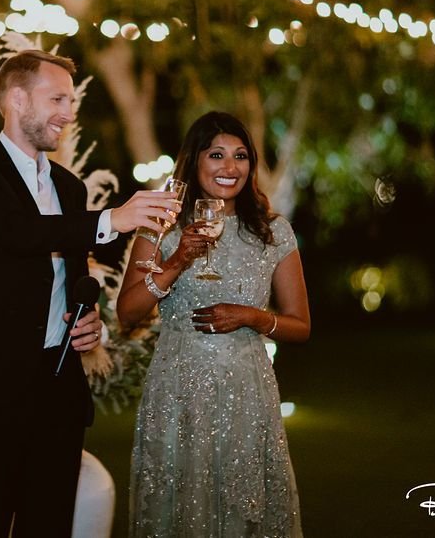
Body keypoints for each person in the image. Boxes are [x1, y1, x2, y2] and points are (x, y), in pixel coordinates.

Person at [0, 49, 181, 538]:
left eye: (71, 101)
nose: (68, 113)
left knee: (49, 526)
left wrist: (84, 317)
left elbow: (67, 271)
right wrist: (115, 218)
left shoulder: (69, 188)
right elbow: (18, 233)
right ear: (15, 99)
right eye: (57, 99)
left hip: (57, 393)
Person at [117, 111, 311, 537]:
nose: (230, 167)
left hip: (247, 391)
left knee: (244, 507)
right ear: (194, 161)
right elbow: (127, 313)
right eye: (217, 155)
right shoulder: (161, 226)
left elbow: (300, 326)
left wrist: (253, 317)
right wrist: (177, 260)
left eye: (240, 156)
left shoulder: (273, 232)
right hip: (178, 389)